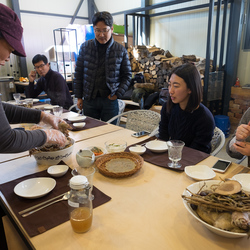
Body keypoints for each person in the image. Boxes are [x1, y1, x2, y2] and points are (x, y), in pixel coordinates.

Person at [0, 4, 67, 153]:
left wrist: (43, 116)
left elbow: (2, 109)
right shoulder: (42, 79)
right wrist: (45, 134)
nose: (9, 57)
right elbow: (6, 140)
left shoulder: (56, 77)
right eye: (10, 49)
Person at [74, 11, 131, 123]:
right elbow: (79, 73)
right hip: (89, 100)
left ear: (112, 29)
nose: (101, 34)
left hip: (110, 100)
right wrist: (79, 97)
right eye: (97, 30)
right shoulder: (85, 47)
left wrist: (117, 94)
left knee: (109, 134)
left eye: (105, 30)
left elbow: (127, 76)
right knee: (90, 131)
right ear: (93, 29)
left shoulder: (120, 50)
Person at [158, 63, 215, 154]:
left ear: (190, 89)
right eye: (169, 85)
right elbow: (162, 137)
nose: (170, 91)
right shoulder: (168, 107)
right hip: (173, 156)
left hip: (195, 161)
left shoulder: (204, 118)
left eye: (176, 86)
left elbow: (196, 152)